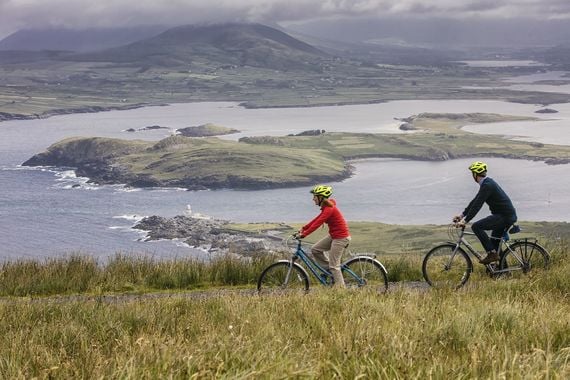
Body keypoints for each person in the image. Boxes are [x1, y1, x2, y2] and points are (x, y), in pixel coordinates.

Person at [454, 161, 517, 265]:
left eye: (472, 174)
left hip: (504, 217)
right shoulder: (487, 184)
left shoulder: (487, 185)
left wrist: (465, 221)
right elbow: (475, 201)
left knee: (476, 226)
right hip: (505, 215)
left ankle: (491, 253)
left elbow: (477, 205)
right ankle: (503, 271)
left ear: (475, 174)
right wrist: (461, 215)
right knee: (495, 243)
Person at [296, 185, 351, 287]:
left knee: (334, 265)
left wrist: (304, 234)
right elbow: (316, 219)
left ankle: (341, 290)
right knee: (315, 249)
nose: (313, 199)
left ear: (321, 197)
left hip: (341, 238)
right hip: (334, 236)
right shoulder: (326, 208)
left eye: (315, 196)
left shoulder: (329, 209)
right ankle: (330, 272)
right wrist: (304, 228)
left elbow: (318, 223)